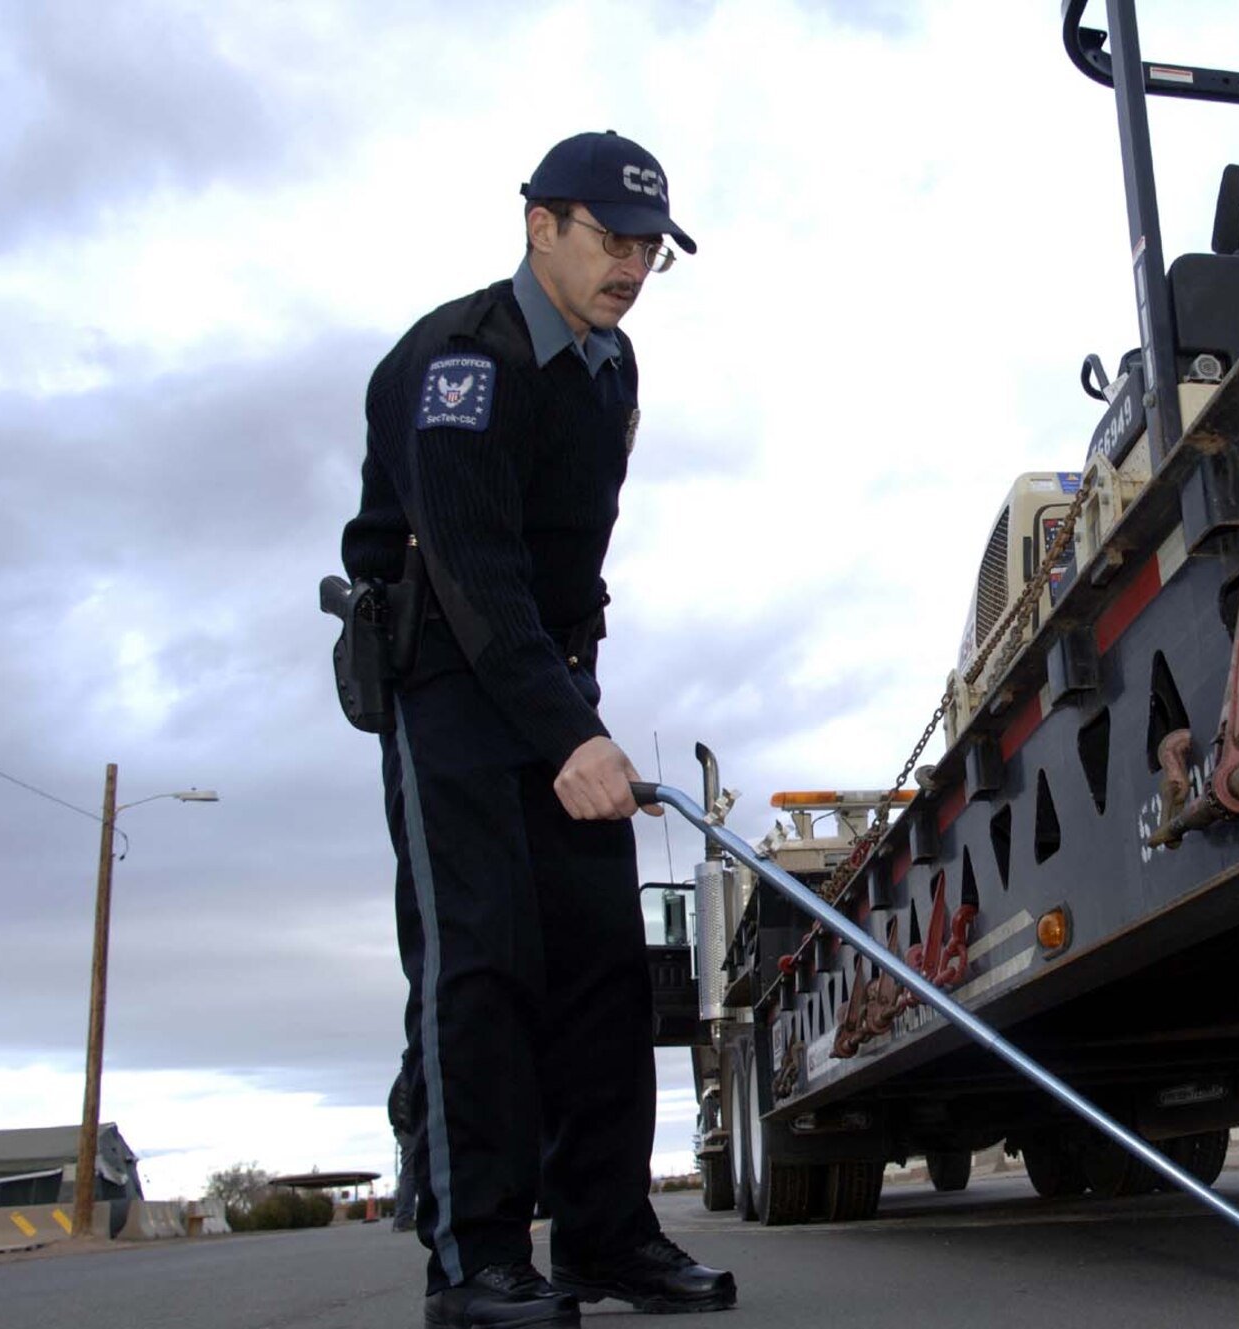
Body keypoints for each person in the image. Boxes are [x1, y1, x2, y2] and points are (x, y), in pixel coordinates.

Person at [343, 129, 736, 1328]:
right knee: (482, 962)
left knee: (606, 973)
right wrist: (567, 735)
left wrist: (574, 711)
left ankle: (605, 1239)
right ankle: (474, 1261)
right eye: (610, 240)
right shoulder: (457, 363)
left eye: (649, 249)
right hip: (448, 686)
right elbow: (469, 570)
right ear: (540, 227)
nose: (630, 266)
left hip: (548, 684)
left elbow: (568, 562)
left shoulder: (610, 367)